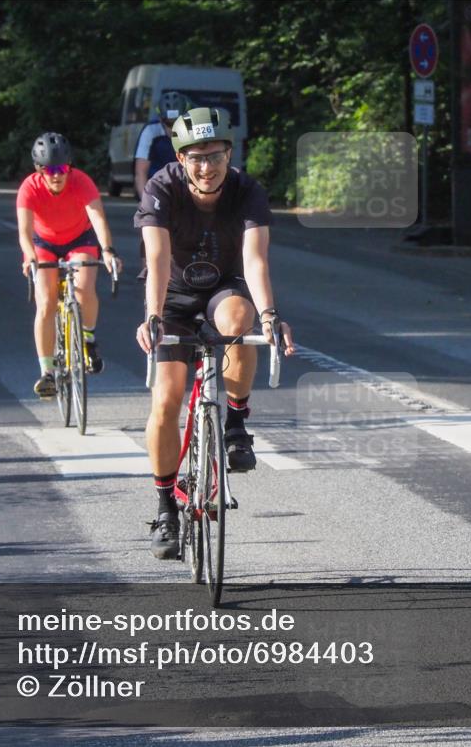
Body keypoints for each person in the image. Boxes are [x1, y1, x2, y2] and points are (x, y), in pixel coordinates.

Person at [133, 107, 295, 559]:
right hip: (172, 293)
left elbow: (256, 259)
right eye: (195, 157)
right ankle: (166, 506)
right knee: (166, 400)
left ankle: (236, 423)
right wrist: (152, 315)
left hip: (223, 287)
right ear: (181, 158)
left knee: (240, 321)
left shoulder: (247, 191)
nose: (206, 167)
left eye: (215, 156)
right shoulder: (161, 188)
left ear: (229, 153)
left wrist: (269, 314)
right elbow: (158, 258)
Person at [17, 132, 122, 399]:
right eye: (50, 170)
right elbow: (24, 231)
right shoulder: (29, 188)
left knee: (84, 287)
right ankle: (47, 372)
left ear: (69, 167)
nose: (57, 175)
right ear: (40, 171)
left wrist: (108, 251)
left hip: (79, 238)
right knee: (46, 302)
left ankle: (87, 338)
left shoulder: (82, 182)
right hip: (44, 243)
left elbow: (98, 219)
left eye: (62, 168)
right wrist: (30, 257)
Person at [135, 92, 193, 281]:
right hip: (157, 190)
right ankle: (149, 280)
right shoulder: (151, 131)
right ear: (160, 119)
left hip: (186, 190)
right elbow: (141, 171)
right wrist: (146, 203)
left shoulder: (192, 131)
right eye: (167, 124)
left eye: (176, 124)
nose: (171, 129)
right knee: (151, 235)